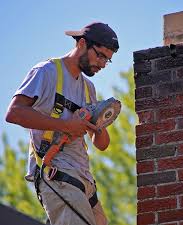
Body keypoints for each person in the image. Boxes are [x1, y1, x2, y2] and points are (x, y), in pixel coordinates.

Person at [5, 22, 119, 225]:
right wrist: (66, 125)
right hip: (57, 173)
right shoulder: (46, 72)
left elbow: (101, 144)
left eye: (107, 60)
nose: (102, 64)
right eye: (100, 55)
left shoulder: (88, 88)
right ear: (82, 43)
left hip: (85, 180)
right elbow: (14, 113)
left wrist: (99, 124)